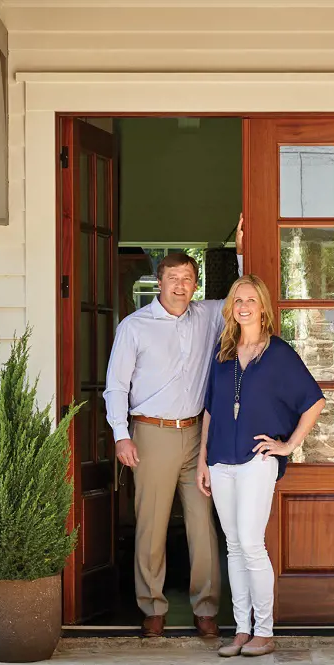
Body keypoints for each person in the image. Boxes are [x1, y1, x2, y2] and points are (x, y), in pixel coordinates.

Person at [104, 217, 243, 639]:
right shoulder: (134, 327)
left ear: (196, 284)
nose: (181, 285)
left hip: (198, 437)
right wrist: (120, 434)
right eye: (173, 278)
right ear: (158, 282)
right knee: (151, 525)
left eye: (188, 278)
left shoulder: (207, 316)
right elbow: (116, 386)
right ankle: (153, 607)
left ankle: (206, 609)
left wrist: (241, 251)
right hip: (152, 434)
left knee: (203, 525)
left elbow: (243, 299)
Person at [196, 275, 325, 657]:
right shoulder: (222, 355)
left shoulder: (279, 353)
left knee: (252, 544)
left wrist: (288, 445)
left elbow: (314, 402)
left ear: (263, 307)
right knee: (234, 546)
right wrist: (202, 458)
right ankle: (240, 630)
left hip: (257, 460)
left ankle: (264, 632)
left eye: (251, 300)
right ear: (230, 309)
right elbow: (209, 410)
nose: (244, 306)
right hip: (220, 460)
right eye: (238, 301)